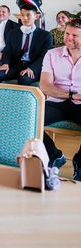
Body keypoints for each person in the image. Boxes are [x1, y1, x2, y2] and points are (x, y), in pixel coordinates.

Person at [39, 18, 81, 180]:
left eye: (74, 35)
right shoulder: (52, 54)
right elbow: (45, 86)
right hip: (56, 102)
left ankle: (80, 162)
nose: (68, 38)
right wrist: (71, 95)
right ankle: (54, 155)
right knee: (29, 121)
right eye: (67, 33)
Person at [0, 4, 53, 85]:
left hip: (32, 67)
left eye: (28, 15)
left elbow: (45, 56)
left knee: (24, 79)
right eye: (22, 15)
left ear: (36, 16)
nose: (25, 18)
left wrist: (32, 68)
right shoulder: (13, 33)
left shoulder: (45, 35)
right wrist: (6, 63)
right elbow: (7, 50)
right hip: (16, 66)